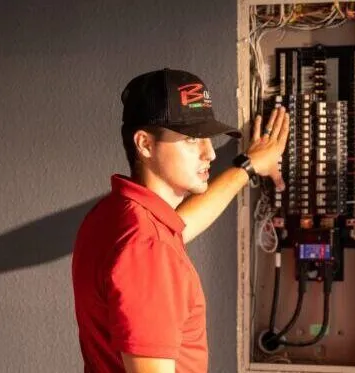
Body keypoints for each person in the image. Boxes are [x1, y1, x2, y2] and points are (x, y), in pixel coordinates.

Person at [72, 68, 289, 373]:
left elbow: (180, 225)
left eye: (208, 138)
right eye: (191, 139)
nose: (210, 153)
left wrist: (248, 167)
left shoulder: (114, 215)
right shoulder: (148, 248)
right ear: (145, 144)